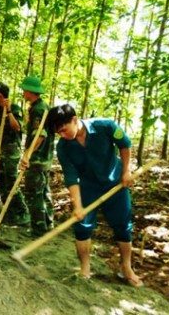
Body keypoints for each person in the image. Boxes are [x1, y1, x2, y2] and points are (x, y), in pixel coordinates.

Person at [46, 104, 143, 287]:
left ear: (74, 120)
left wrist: (126, 171)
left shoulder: (105, 126)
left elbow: (125, 144)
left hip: (115, 184)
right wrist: (77, 205)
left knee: (123, 225)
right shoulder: (63, 147)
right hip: (88, 188)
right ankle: (85, 267)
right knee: (82, 227)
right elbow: (71, 176)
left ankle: (126, 267)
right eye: (59, 133)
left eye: (64, 130)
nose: (63, 135)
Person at [19, 76, 55, 237]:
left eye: (24, 89)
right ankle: (48, 224)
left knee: (34, 193)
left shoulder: (38, 110)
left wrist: (27, 155)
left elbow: (39, 135)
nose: (23, 92)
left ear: (29, 91)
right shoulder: (42, 107)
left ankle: (39, 229)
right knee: (44, 191)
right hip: (45, 158)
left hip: (38, 158)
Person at [0, 82, 30, 226]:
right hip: (2, 150)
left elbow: (17, 128)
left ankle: (23, 213)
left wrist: (8, 111)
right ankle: (9, 212)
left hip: (12, 152)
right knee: (1, 180)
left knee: (12, 182)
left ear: (0, 95)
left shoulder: (14, 109)